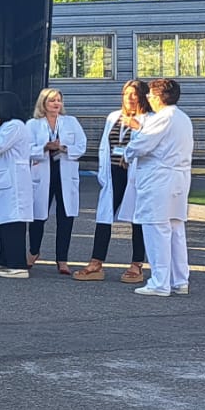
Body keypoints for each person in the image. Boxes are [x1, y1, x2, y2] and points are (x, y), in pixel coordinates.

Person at [77, 79, 150, 284]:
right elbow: (104, 145)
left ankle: (137, 264)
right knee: (104, 216)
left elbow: (148, 144)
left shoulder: (149, 119)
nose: (130, 98)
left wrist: (137, 128)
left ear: (143, 96)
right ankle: (96, 262)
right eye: (126, 93)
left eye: (134, 94)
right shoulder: (113, 117)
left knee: (138, 218)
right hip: (113, 172)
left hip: (136, 175)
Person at [127, 77, 195, 297]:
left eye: (149, 95)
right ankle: (179, 279)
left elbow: (141, 144)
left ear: (157, 97)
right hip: (179, 178)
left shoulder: (162, 117)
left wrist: (128, 149)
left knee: (156, 228)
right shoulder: (183, 118)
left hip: (159, 178)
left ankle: (159, 282)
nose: (147, 98)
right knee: (175, 228)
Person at [27, 88, 88, 275]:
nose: (56, 104)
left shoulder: (71, 122)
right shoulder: (33, 124)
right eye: (52, 100)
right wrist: (45, 147)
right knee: (38, 216)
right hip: (42, 172)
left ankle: (62, 259)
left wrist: (64, 147)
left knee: (66, 216)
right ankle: (33, 251)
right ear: (43, 103)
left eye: (59, 100)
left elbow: (82, 145)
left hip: (65, 173)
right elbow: (26, 148)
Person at [0, 91, 35, 277]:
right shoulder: (5, 126)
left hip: (13, 183)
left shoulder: (15, 125)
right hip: (4, 180)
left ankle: (18, 265)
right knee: (4, 221)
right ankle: (4, 260)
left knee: (13, 222)